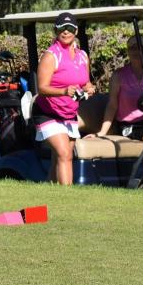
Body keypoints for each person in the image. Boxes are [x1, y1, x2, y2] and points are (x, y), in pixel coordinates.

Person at [33, 12, 96, 185]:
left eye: (69, 28)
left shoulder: (83, 56)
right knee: (64, 154)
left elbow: (86, 82)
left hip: (69, 115)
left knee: (58, 160)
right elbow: (43, 88)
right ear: (56, 30)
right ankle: (68, 198)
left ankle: (50, 193)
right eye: (61, 28)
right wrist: (63, 91)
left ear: (75, 30)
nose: (65, 32)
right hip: (48, 113)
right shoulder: (50, 56)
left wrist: (89, 89)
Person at [85, 35, 143, 141]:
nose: (137, 51)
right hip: (130, 126)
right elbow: (112, 105)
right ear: (128, 51)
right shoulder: (119, 75)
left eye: (141, 48)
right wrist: (102, 132)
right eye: (133, 48)